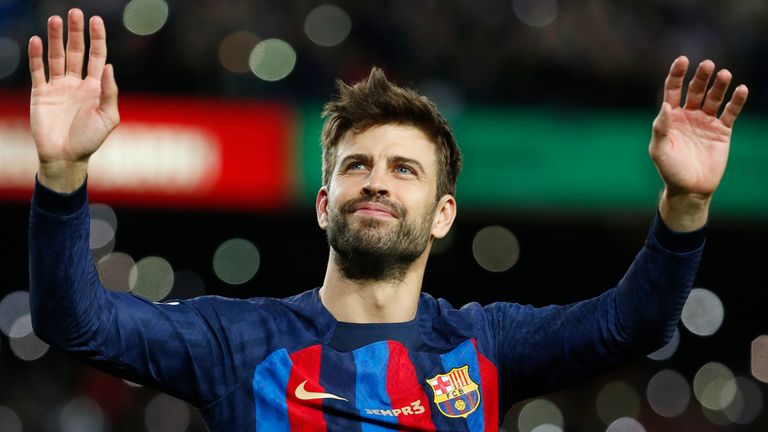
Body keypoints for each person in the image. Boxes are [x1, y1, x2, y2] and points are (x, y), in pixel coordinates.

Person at [28, 8, 748, 432]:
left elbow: (636, 323)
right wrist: (62, 175)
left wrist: (684, 205)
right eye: (355, 165)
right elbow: (74, 320)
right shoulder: (237, 342)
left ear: (442, 216)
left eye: (404, 169)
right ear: (323, 204)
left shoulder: (483, 345)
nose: (376, 182)